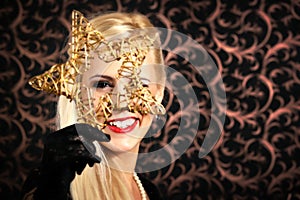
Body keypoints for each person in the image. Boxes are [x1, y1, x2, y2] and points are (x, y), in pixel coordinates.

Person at [21, 10, 166, 200]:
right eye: (103, 85)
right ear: (76, 92)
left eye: (137, 83)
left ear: (159, 92)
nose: (121, 102)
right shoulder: (51, 187)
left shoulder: (149, 191)